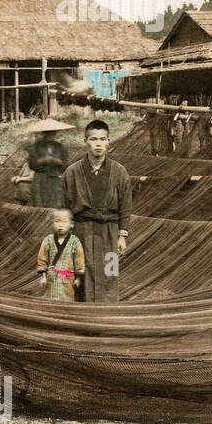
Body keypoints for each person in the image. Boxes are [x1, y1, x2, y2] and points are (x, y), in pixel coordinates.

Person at [62, 119, 131, 302]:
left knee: (110, 274)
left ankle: (107, 317)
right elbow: (64, 208)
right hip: (82, 233)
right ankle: (84, 320)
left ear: (109, 141)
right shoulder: (72, 172)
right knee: (81, 275)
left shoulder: (120, 172)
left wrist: (122, 235)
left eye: (102, 139)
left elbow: (125, 205)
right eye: (93, 139)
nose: (98, 144)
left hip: (110, 232)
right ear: (85, 142)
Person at [36, 207, 85, 302]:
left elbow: (79, 259)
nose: (60, 225)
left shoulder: (75, 241)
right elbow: (42, 259)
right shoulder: (48, 240)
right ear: (52, 223)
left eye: (64, 221)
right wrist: (43, 276)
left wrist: (78, 278)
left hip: (67, 280)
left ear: (71, 224)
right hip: (51, 279)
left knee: (66, 302)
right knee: (50, 302)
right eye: (57, 221)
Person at [24, 119, 71, 208]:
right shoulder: (36, 147)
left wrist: (58, 162)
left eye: (52, 133)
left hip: (55, 179)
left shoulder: (60, 147)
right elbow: (31, 164)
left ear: (55, 134)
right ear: (43, 134)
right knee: (39, 205)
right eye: (47, 133)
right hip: (40, 179)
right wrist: (42, 161)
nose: (50, 136)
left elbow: (66, 165)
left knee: (55, 205)